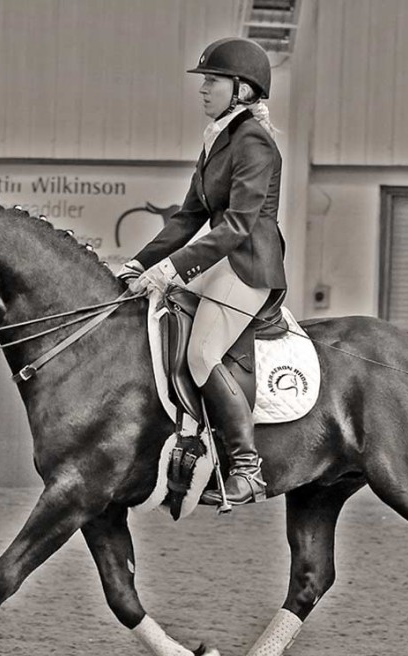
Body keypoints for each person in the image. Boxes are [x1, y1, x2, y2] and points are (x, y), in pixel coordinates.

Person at [120, 37, 286, 505]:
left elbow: (236, 224)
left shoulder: (255, 142)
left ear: (243, 90)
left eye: (212, 80)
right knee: (156, 316)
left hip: (249, 264)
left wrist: (173, 269)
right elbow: (189, 217)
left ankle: (248, 467)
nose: (203, 88)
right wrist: (140, 263)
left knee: (201, 353)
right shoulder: (219, 138)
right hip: (219, 260)